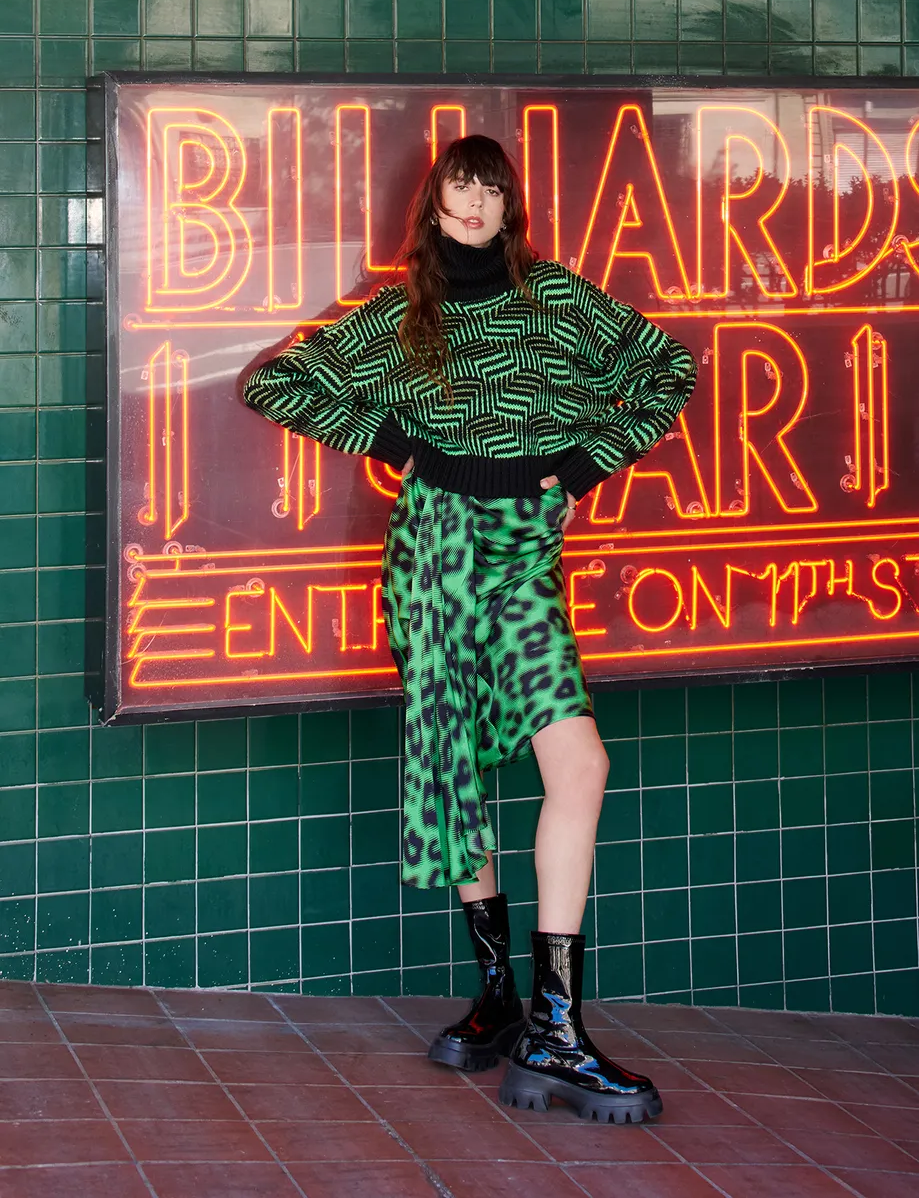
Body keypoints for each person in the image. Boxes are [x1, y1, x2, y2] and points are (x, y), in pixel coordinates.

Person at [243, 135, 696, 1125]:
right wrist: (394, 439)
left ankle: (554, 1026)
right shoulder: (404, 316)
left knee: (577, 766)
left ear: (510, 201)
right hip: (436, 554)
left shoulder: (558, 299)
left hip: (525, 558)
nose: (478, 202)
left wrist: (582, 467)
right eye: (461, 185)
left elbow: (668, 371)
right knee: (458, 774)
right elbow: (274, 385)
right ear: (434, 202)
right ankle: (502, 1000)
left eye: (492, 185)